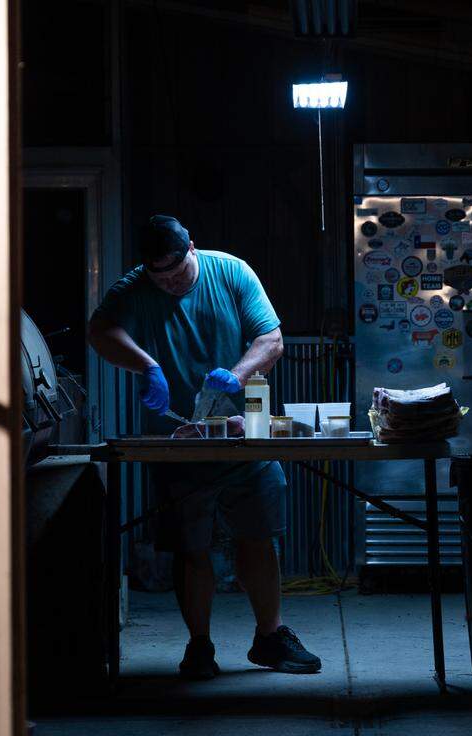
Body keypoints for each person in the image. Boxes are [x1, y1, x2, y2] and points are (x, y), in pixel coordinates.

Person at [87, 214, 321, 678]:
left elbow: (270, 340)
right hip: (178, 439)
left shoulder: (230, 271)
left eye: (179, 273)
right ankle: (199, 646)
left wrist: (236, 375)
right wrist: (145, 364)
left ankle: (270, 637)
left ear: (192, 246)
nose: (173, 284)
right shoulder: (133, 288)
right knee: (190, 546)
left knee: (258, 536)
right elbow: (100, 332)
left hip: (242, 432)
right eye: (162, 279)